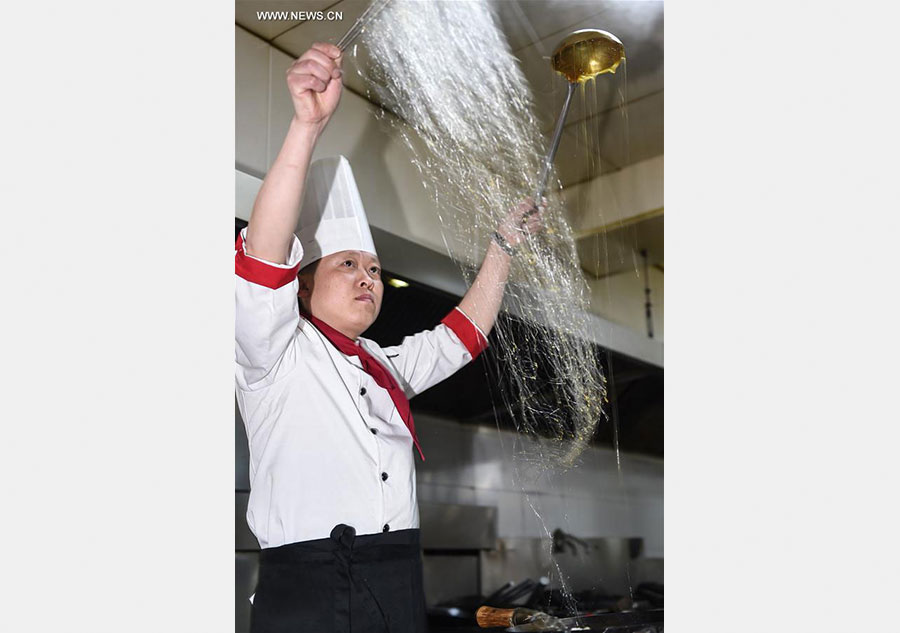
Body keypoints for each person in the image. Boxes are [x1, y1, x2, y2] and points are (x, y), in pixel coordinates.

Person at [235, 42, 545, 633]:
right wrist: (306, 129)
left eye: (374, 269)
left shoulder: (380, 364)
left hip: (398, 573)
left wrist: (502, 248)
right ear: (300, 288)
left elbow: (461, 336)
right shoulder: (270, 352)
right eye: (346, 265)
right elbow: (263, 259)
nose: (368, 278)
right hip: (311, 586)